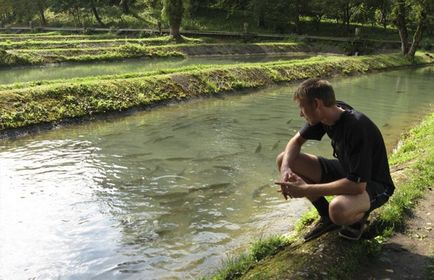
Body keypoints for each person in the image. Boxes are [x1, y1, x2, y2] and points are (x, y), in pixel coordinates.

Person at [275, 78, 395, 241]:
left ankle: (357, 220)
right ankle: (326, 217)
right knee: (285, 159)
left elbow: (357, 186)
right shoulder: (326, 114)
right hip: (348, 170)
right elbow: (295, 142)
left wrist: (306, 189)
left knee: (338, 210)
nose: (300, 113)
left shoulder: (356, 127)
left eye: (302, 107)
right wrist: (285, 170)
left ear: (316, 104)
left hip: (374, 183)